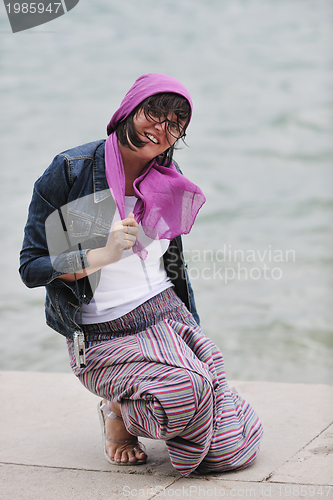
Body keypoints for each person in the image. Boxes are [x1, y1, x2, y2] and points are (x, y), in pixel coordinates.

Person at [19, 73, 263, 477]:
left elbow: (170, 262)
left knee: (226, 452)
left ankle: (171, 390)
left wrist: (189, 327)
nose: (160, 129)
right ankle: (116, 409)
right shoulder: (71, 170)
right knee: (187, 393)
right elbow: (32, 267)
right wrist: (102, 254)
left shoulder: (167, 174)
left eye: (175, 124)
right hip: (105, 332)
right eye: (154, 113)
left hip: (167, 316)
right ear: (130, 109)